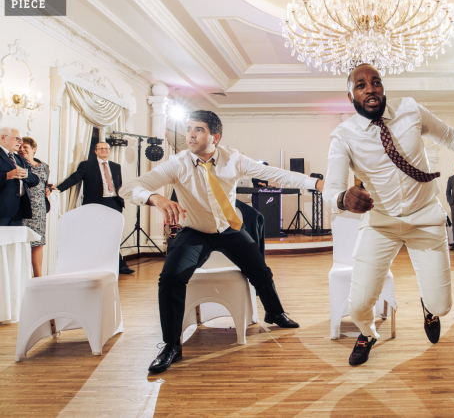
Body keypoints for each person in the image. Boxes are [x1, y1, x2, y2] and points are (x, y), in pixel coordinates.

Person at [119, 110, 324, 374]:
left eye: (199, 129)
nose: (191, 135)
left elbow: (275, 174)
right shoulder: (177, 163)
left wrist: (315, 183)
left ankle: (274, 313)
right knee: (170, 278)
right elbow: (129, 187)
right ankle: (171, 346)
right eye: (189, 128)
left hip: (229, 229)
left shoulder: (233, 159)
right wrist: (154, 198)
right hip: (195, 231)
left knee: (260, 271)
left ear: (215, 137)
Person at [323, 64, 454, 366]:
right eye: (361, 84)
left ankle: (429, 307)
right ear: (351, 96)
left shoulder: (411, 110)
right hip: (380, 224)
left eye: (376, 82)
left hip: (426, 219)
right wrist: (342, 198)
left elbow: (452, 138)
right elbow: (332, 187)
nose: (370, 88)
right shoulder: (343, 136)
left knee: (443, 305)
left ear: (383, 89)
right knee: (357, 306)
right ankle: (367, 334)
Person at [53, 142, 134, 274]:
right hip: (96, 203)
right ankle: (98, 264)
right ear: (95, 151)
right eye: (101, 148)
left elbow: (118, 184)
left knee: (114, 234)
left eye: (106, 149)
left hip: (114, 203)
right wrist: (57, 189)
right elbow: (75, 178)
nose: (104, 151)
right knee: (97, 234)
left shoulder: (116, 166)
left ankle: (119, 265)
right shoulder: (87, 165)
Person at [18, 137, 51, 277]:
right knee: (24, 243)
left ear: (34, 149)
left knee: (38, 242)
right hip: (24, 207)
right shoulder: (18, 163)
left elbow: (45, 184)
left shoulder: (44, 166)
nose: (22, 149)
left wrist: (48, 190)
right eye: (20, 147)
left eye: (25, 147)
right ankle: (24, 277)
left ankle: (38, 277)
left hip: (40, 209)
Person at [0, 126, 39, 226]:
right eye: (17, 138)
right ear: (3, 138)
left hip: (18, 210)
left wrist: (25, 175)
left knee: (14, 241)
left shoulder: (19, 159)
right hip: (2, 210)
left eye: (20, 139)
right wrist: (6, 176)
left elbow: (35, 180)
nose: (20, 142)